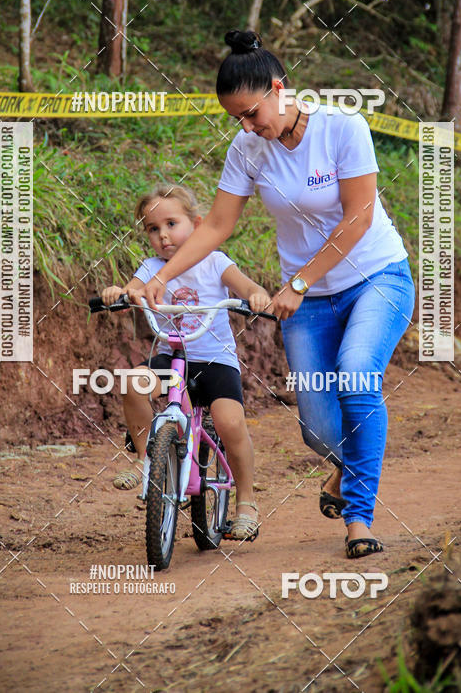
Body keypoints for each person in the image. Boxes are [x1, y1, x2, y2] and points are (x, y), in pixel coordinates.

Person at [141, 31, 415, 559]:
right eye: (235, 119)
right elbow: (217, 225)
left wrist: (299, 282)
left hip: (376, 278)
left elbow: (358, 216)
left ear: (278, 88)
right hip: (310, 303)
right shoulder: (248, 149)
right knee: (317, 426)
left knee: (357, 376)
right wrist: (160, 276)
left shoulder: (343, 127)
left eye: (251, 113)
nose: (246, 126)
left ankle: (358, 520)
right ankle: (344, 468)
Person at [102, 183, 271, 541]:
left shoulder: (215, 262)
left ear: (196, 224)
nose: (163, 236)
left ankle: (246, 503)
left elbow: (246, 286)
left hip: (215, 361)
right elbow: (133, 288)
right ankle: (145, 460)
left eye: (171, 224)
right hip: (172, 359)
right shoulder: (151, 267)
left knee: (229, 421)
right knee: (133, 382)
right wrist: (120, 293)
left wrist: (256, 295)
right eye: (153, 229)